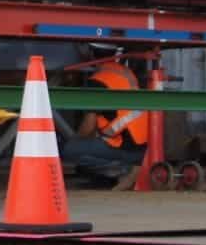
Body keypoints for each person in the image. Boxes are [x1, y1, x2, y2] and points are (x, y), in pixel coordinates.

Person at [56, 60, 149, 188]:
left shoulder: (97, 81)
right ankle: (123, 169)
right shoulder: (125, 73)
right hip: (142, 149)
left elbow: (88, 127)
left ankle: (124, 170)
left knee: (67, 150)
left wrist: (75, 140)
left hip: (123, 148)